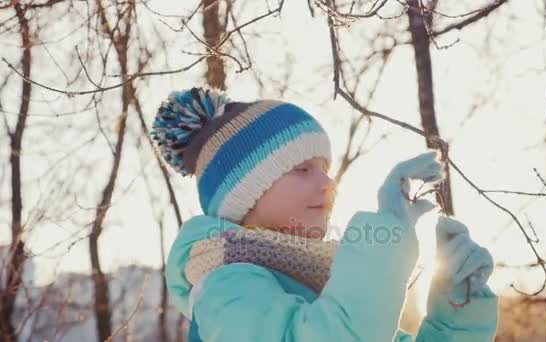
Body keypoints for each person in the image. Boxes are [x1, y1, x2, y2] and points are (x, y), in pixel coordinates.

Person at [150, 86, 498, 341]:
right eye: (302, 169)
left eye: (325, 168)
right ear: (245, 196)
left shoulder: (323, 285)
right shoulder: (226, 286)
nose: (328, 183)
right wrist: (386, 234)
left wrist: (455, 311)